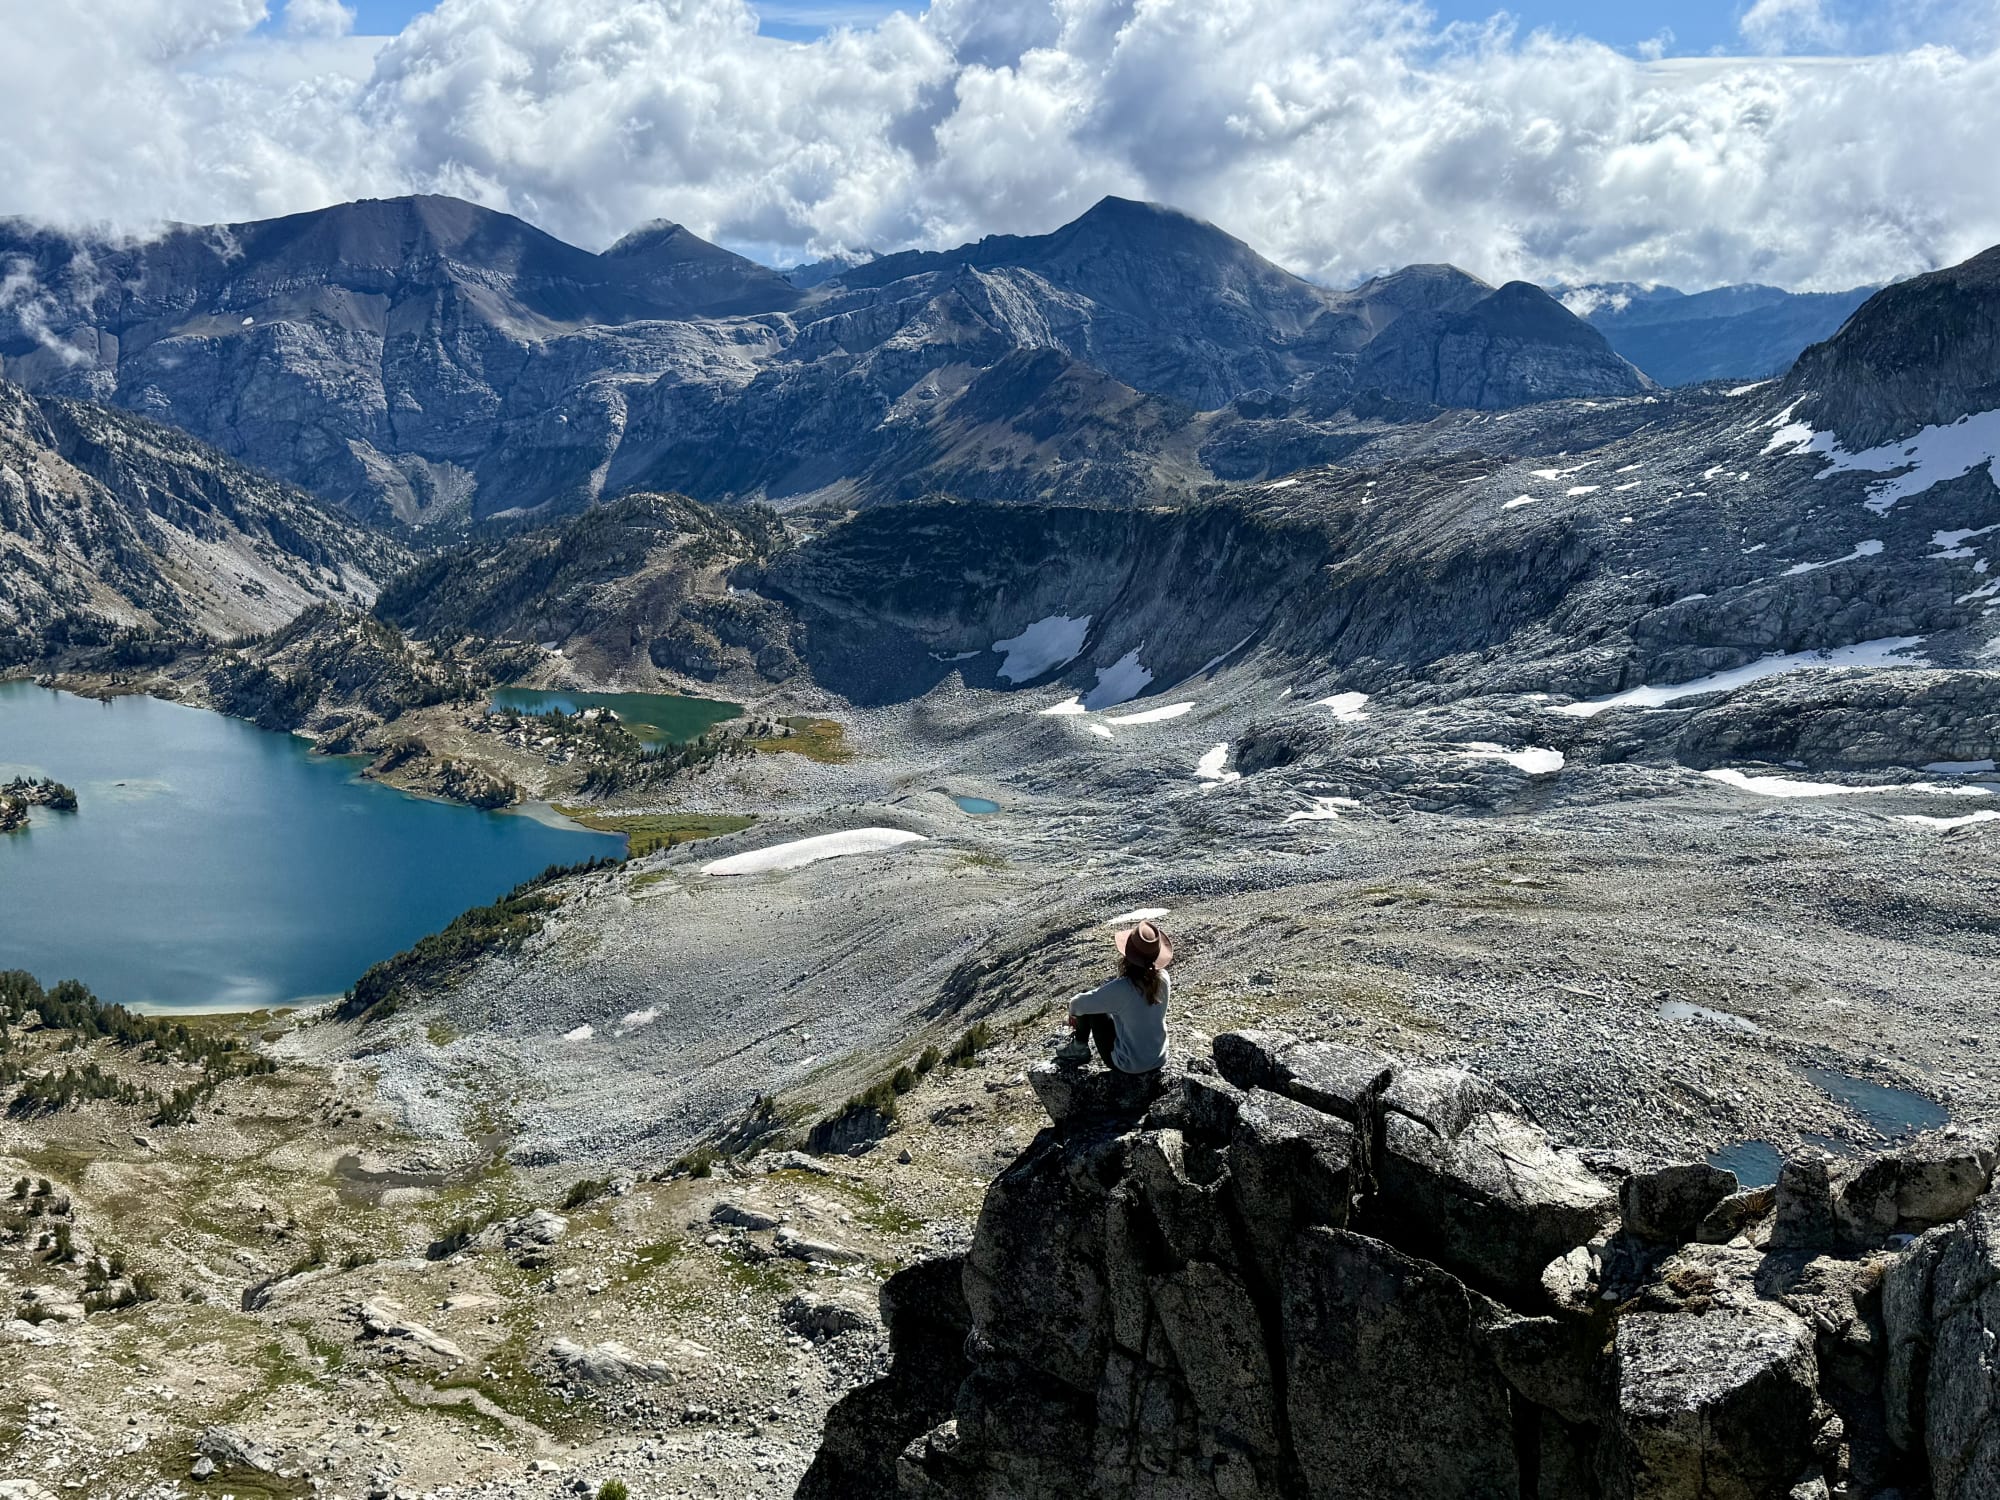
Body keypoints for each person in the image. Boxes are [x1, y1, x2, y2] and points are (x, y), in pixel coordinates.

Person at [1067, 919, 1172, 1073]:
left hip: (1129, 1064)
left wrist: (1073, 1014)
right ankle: (1079, 1046)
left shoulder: (1123, 988)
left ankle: (1079, 1047)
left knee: (1088, 999)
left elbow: (1077, 1004)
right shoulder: (1163, 977)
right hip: (1159, 1058)